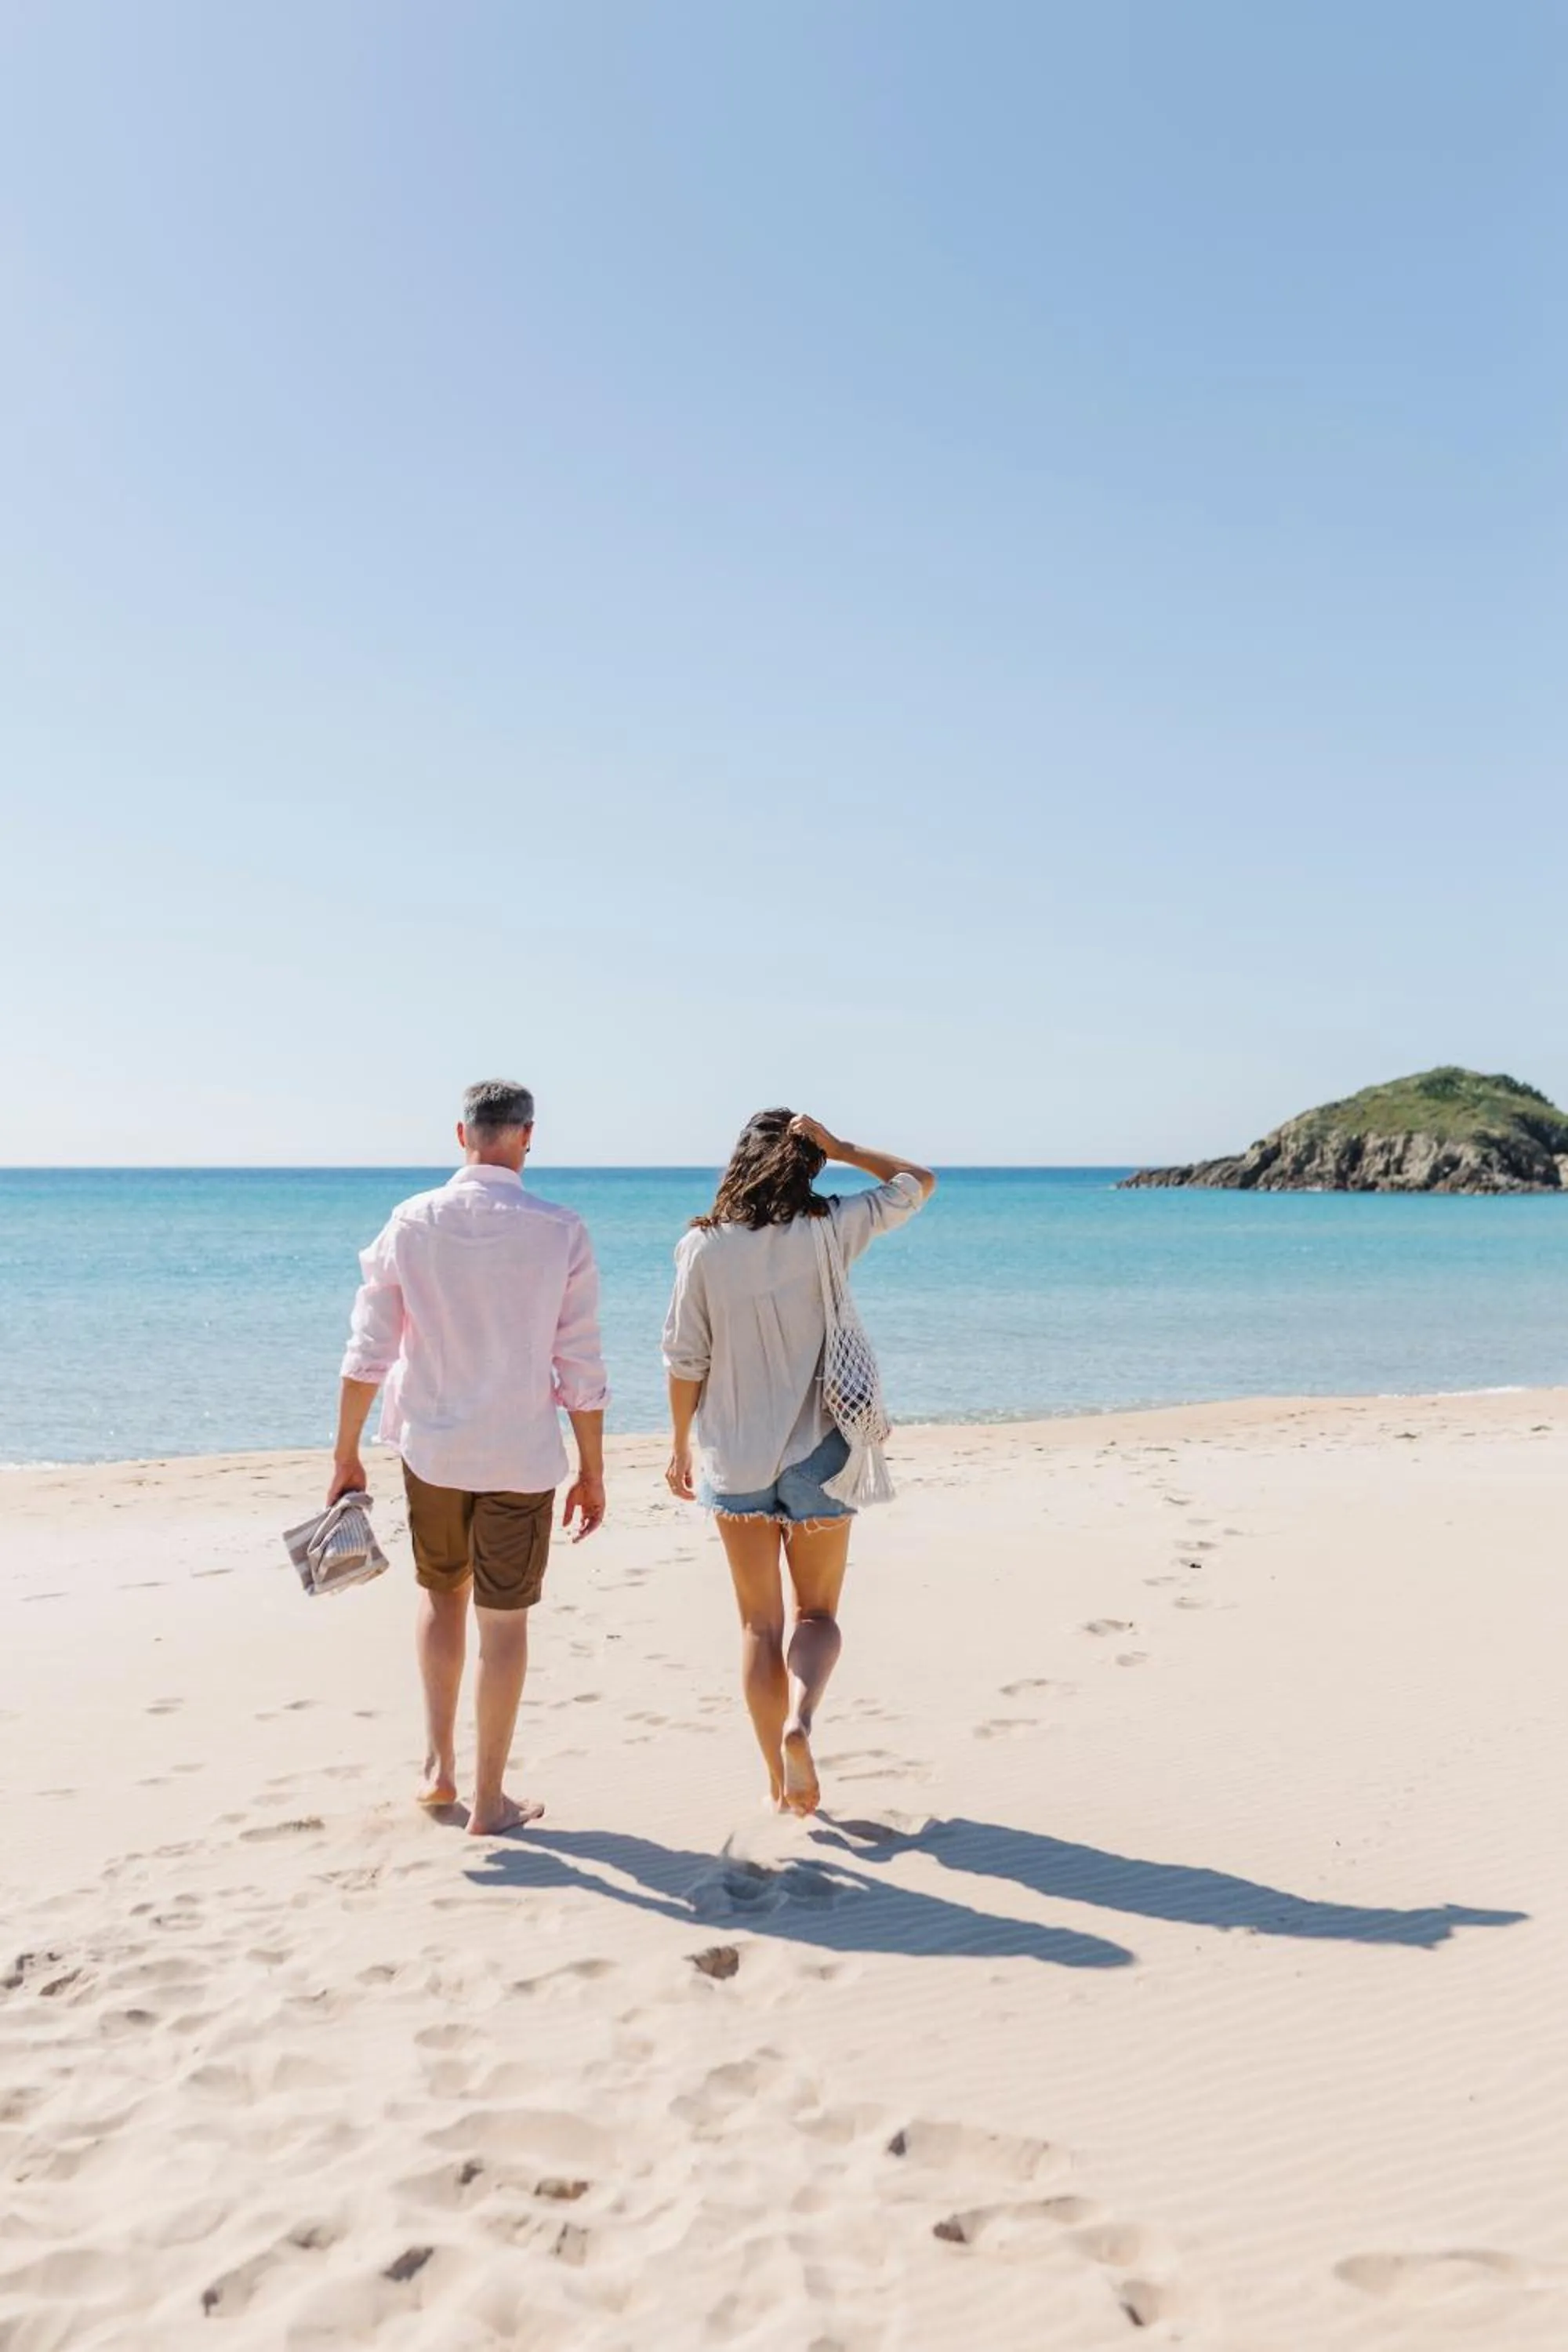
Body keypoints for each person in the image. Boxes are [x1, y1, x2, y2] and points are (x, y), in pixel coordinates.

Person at [328, 1080, 608, 1836]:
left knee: (440, 1596)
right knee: (505, 1625)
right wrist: (592, 1468)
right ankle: (489, 1800)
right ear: (527, 1136)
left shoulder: (411, 1221)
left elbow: (368, 1353)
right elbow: (578, 1364)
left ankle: (438, 1771)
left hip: (433, 1451)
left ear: (462, 1136)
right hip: (520, 1456)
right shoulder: (560, 1231)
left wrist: (345, 1453)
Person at [663, 1110, 935, 1815]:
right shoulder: (831, 1228)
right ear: (808, 1164)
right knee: (816, 1616)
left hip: (735, 1455)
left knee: (759, 1626)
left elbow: (685, 1359)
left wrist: (676, 1445)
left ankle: (778, 1785)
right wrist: (844, 1149)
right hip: (823, 1452)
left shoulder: (702, 1249)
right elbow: (918, 1183)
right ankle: (802, 1722)